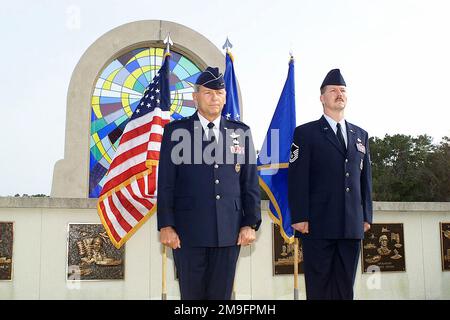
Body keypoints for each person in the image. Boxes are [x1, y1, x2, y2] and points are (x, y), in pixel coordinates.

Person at [157, 66, 261, 300]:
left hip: (229, 232)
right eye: (208, 93)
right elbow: (166, 182)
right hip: (188, 233)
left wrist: (250, 223)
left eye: (219, 93)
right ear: (195, 98)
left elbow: (250, 182)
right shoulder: (176, 132)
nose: (215, 98)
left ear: (225, 98)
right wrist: (166, 225)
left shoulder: (241, 132)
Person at [287, 69, 373, 300]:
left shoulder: (360, 135)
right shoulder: (305, 133)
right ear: (322, 98)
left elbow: (365, 178)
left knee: (345, 287)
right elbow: (297, 177)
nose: (339, 94)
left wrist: (366, 215)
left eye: (343, 90)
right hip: (317, 223)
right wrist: (299, 215)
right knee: (319, 286)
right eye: (333, 90)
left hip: (351, 224)